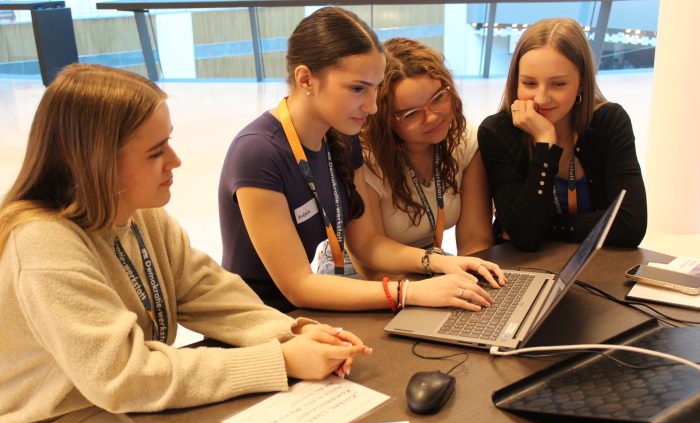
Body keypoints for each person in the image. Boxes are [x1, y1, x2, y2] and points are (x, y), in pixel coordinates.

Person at [0, 63, 371, 423]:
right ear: (96, 162)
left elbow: (211, 293)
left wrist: (292, 333)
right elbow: (124, 376)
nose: (175, 160)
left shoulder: (141, 215)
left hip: (120, 410)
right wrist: (279, 360)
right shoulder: (43, 245)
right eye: (156, 151)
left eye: (169, 143)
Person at [219, 7, 505, 314]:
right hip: (256, 317)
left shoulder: (341, 137)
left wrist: (437, 261)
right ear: (305, 79)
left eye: (375, 88)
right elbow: (298, 285)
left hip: (307, 312)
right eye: (357, 89)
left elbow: (367, 243)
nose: (371, 107)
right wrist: (412, 291)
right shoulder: (258, 153)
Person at [478, 18, 647, 252]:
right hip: (523, 269)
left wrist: (545, 226)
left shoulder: (609, 121)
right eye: (529, 83)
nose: (541, 98)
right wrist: (545, 143)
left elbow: (630, 226)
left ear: (581, 84)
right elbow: (525, 237)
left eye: (557, 84)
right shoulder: (497, 132)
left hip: (597, 267)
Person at [356, 37, 493, 281]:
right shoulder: (364, 159)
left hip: (431, 261)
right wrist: (428, 295)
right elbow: (374, 268)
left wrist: (475, 285)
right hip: (364, 273)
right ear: (383, 118)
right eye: (411, 114)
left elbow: (476, 243)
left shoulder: (465, 140)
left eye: (438, 98)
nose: (432, 118)